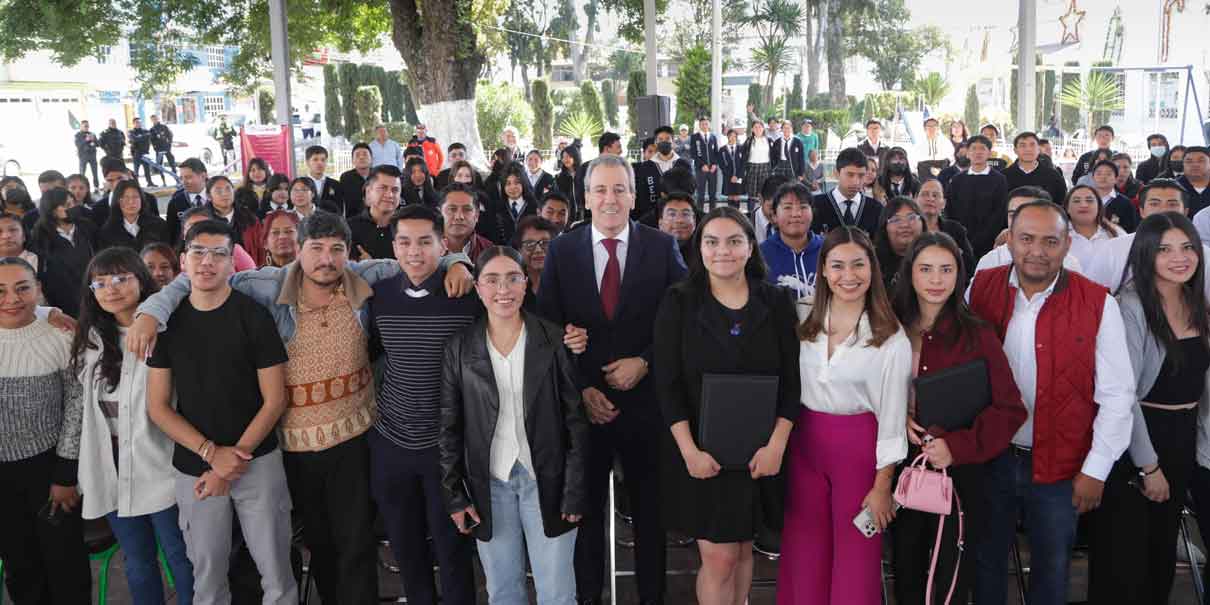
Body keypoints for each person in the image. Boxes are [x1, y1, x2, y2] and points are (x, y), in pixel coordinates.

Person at [129, 210, 471, 605]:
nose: (326, 259)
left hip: (355, 437)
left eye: (336, 250)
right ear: (299, 249)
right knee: (319, 545)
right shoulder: (262, 284)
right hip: (294, 445)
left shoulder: (364, 276)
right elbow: (202, 277)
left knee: (357, 542)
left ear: (347, 253)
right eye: (316, 249)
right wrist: (152, 311)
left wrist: (457, 261)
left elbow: (419, 256)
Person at [537, 154, 688, 605]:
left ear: (634, 194)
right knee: (586, 515)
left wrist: (644, 361)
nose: (610, 199)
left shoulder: (661, 247)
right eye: (600, 190)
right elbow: (546, 326)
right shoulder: (563, 249)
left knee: (649, 515)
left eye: (619, 189)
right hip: (585, 408)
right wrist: (581, 387)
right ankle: (588, 596)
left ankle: (652, 597)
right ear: (585, 197)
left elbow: (680, 322)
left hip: (647, 407)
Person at [969, 200, 1136, 605]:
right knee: (985, 565)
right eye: (1026, 239)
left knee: (1052, 570)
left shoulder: (1098, 302)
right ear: (1009, 241)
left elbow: (1117, 394)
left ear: (1067, 246)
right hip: (991, 459)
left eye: (1050, 241)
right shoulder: (981, 287)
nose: (1037, 251)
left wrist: (1096, 469)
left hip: (1062, 466)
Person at [145, 220, 298, 604]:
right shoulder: (168, 324)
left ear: (234, 263)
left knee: (276, 572)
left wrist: (234, 458)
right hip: (196, 466)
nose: (207, 262)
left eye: (218, 254)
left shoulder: (253, 316)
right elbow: (158, 407)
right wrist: (213, 456)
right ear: (183, 261)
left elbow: (274, 400)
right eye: (198, 252)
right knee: (207, 576)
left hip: (258, 460)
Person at [654, 206, 800, 605]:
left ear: (751, 247)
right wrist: (689, 452)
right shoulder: (679, 302)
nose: (724, 251)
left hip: (759, 454)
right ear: (699, 249)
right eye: (712, 241)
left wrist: (776, 447)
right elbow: (666, 385)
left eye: (734, 241)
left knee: (741, 553)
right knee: (718, 558)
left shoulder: (776, 301)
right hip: (701, 456)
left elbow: (792, 381)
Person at [439, 244, 589, 605]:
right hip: (489, 484)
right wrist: (455, 495)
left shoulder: (555, 340)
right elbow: (449, 428)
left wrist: (574, 490)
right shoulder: (459, 348)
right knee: (503, 592)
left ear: (526, 285)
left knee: (557, 593)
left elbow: (576, 424)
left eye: (512, 279)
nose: (502, 290)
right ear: (477, 288)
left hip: (547, 482)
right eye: (492, 280)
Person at [889, 232, 1027, 605]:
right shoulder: (888, 326)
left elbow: (1010, 408)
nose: (936, 280)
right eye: (926, 269)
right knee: (907, 571)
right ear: (910, 273)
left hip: (958, 476)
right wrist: (894, 414)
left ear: (959, 274)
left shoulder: (977, 333)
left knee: (949, 577)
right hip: (896, 470)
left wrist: (959, 447)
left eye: (946, 270)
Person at [779, 226, 911, 605]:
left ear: (873, 268)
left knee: (856, 556)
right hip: (804, 445)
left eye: (858, 264)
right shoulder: (803, 313)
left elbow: (891, 417)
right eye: (837, 266)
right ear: (822, 269)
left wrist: (883, 484)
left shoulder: (890, 337)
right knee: (805, 551)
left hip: (859, 452)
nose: (848, 276)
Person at [1087, 211, 1208, 604]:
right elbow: (1124, 395)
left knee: (1159, 558)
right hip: (1137, 440)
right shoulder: (1131, 305)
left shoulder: (1197, 303)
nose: (1180, 257)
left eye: (1187, 247)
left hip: (1183, 437)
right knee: (1126, 562)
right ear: (1145, 254)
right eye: (1165, 249)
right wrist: (1148, 465)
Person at [368, 204, 479, 605]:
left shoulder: (466, 295)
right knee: (406, 549)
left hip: (446, 450)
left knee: (453, 551)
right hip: (390, 443)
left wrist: (460, 266)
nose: (414, 252)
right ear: (393, 246)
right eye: (404, 242)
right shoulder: (378, 295)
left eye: (425, 242)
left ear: (442, 244)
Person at [70, 248, 195, 605]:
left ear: (142, 279)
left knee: (181, 557)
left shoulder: (169, 328)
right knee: (138, 562)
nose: (112, 289)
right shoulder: (89, 341)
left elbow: (189, 280)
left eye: (122, 278)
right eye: (101, 283)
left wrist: (152, 313)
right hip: (113, 467)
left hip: (162, 464)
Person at [0, 256, 90, 604]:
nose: (12, 299)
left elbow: (76, 404)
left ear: (38, 289)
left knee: (65, 563)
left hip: (50, 468)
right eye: (1, 291)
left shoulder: (60, 333)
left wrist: (66, 473)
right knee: (21, 566)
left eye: (22, 288)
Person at [1086, 179, 1210, 296]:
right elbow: (1090, 297)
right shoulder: (1113, 249)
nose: (1163, 210)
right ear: (1142, 211)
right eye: (1154, 204)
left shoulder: (1202, 253)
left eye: (1172, 204)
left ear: (1185, 212)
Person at [971, 187, 1083, 277]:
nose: (1019, 221)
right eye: (1012, 215)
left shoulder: (1068, 264)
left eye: (1029, 214)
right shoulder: (991, 261)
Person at [29, 188, 98, 316]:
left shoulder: (88, 227)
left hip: (95, 293)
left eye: (73, 203)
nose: (73, 208)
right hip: (64, 301)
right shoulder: (40, 237)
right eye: (67, 205)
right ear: (53, 211)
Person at [944, 134, 1008, 258]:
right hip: (961, 241)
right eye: (973, 148)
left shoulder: (999, 180)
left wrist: (983, 238)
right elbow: (950, 209)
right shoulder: (957, 180)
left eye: (982, 148)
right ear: (967, 153)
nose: (978, 152)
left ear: (989, 153)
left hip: (990, 242)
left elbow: (1000, 212)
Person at [761, 182, 823, 300]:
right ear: (774, 215)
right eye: (788, 207)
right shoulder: (761, 254)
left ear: (812, 213)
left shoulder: (828, 249)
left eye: (803, 207)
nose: (796, 214)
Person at [811, 147, 881, 235]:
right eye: (850, 175)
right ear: (836, 173)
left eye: (861, 175)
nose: (856, 182)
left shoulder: (876, 209)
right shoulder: (815, 205)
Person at [915, 178, 976, 279]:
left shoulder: (955, 230)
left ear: (943, 203)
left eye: (935, 195)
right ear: (915, 199)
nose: (930, 199)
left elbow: (969, 266)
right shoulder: (909, 229)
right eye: (925, 194)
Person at [206, 175, 264, 265]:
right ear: (209, 196)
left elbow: (261, 249)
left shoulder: (250, 219)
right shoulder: (204, 220)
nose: (225, 194)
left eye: (228, 189)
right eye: (218, 191)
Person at [179, 206, 257, 273]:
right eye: (193, 226)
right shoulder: (174, 257)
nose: (200, 230)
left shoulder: (234, 250)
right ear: (183, 234)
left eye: (206, 225)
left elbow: (253, 278)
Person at [349, 165, 403, 260]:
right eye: (383, 188)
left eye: (395, 190)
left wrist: (372, 265)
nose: (389, 195)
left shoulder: (408, 228)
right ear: (369, 191)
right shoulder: (350, 228)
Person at [874, 197, 927, 292]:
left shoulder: (934, 256)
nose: (904, 225)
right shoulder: (873, 261)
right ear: (884, 227)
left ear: (922, 222)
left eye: (911, 217)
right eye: (895, 219)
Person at [98, 180, 169, 251]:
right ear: (117, 201)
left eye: (135, 197)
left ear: (142, 199)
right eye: (126, 198)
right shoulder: (108, 231)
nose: (131, 202)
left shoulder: (158, 225)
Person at [1065, 185, 1124, 270]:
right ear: (1067, 208)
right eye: (1076, 201)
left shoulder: (1116, 233)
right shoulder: (1058, 234)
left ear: (1099, 206)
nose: (1084, 205)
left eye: (1089, 200)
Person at [1002, 132, 1067, 206]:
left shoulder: (1053, 176)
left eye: (1032, 145)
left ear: (1039, 149)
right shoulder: (1003, 177)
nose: (1028, 149)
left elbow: (1060, 205)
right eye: (1022, 145)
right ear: (1015, 150)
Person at [511, 216, 558, 311]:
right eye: (529, 244)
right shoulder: (512, 287)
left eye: (545, 243)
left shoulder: (568, 284)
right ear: (519, 250)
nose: (538, 250)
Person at [1086, 159, 1140, 233]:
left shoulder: (1125, 203)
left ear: (1116, 178)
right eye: (1099, 174)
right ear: (1093, 178)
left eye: (1108, 174)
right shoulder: (1085, 200)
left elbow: (1131, 231)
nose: (1103, 177)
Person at [166, 158, 209, 246]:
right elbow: (171, 233)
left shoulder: (217, 197)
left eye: (188, 177)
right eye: (181, 178)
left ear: (203, 176)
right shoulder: (176, 202)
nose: (184, 182)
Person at [657, 192, 698, 264]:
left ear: (694, 222)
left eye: (685, 214)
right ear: (660, 223)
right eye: (672, 214)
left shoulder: (704, 252)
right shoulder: (649, 252)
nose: (679, 220)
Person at [338, 142, 374, 218]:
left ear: (371, 158)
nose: (361, 157)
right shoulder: (346, 178)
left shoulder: (378, 175)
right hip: (352, 220)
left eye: (365, 154)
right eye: (357, 155)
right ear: (352, 160)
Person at [691, 116, 720, 208]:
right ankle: (700, 215)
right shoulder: (695, 137)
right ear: (699, 125)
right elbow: (693, 153)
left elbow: (716, 152)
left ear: (709, 124)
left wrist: (715, 164)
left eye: (706, 123)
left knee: (713, 194)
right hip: (701, 170)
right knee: (701, 194)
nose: (705, 125)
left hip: (712, 169)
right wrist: (702, 165)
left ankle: (713, 214)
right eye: (703, 124)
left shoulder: (713, 137)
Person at [303, 145, 342, 210]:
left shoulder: (335, 184)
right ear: (307, 162)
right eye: (315, 159)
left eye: (323, 160)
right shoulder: (301, 184)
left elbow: (339, 209)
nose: (319, 163)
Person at [1181, 147, 1210, 220]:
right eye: (1189, 161)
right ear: (1183, 165)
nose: (1195, 165)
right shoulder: (1174, 188)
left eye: (1201, 160)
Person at [773, 120, 806, 184]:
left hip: (793, 167)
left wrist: (801, 173)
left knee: (792, 186)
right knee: (780, 186)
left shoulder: (798, 141)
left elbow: (801, 158)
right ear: (781, 129)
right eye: (784, 128)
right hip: (780, 166)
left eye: (788, 128)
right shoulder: (777, 142)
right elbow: (773, 157)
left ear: (791, 129)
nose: (786, 130)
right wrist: (774, 168)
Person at [717, 130, 742, 208]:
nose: (733, 138)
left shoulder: (741, 148)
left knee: (737, 196)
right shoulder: (722, 150)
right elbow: (721, 164)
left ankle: (737, 214)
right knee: (730, 196)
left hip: (738, 177)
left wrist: (737, 176)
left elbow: (743, 164)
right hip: (728, 176)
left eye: (735, 136)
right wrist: (730, 175)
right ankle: (730, 213)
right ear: (727, 137)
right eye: (731, 136)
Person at [555, 145, 582, 216]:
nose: (565, 159)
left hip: (584, 212)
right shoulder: (559, 177)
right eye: (563, 157)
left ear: (575, 156)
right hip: (568, 213)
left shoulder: (584, 173)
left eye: (568, 156)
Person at [149, 115, 176, 186]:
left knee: (172, 163)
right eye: (153, 119)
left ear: (158, 119)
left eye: (155, 119)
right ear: (151, 120)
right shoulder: (152, 129)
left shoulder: (164, 127)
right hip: (159, 149)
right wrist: (155, 148)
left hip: (166, 148)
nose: (154, 120)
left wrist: (169, 144)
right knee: (160, 166)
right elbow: (151, 140)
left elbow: (170, 135)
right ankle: (164, 182)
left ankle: (177, 180)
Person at [128, 117, 152, 186]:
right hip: (136, 153)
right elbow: (134, 139)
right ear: (133, 124)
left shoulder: (145, 131)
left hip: (145, 152)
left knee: (147, 169)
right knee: (136, 171)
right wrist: (142, 137)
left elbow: (148, 137)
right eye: (137, 122)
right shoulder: (131, 132)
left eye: (139, 122)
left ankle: (149, 182)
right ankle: (136, 184)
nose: (139, 124)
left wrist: (139, 137)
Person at [76, 120, 100, 188]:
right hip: (83, 156)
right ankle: (81, 187)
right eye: (85, 126)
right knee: (82, 173)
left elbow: (98, 144)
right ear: (81, 126)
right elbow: (78, 145)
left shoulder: (92, 134)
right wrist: (86, 140)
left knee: (95, 172)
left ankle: (96, 187)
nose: (87, 127)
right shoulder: (78, 135)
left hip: (92, 155)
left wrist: (94, 139)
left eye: (88, 126)